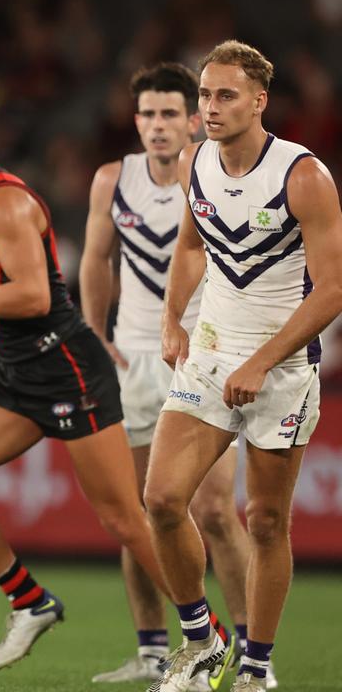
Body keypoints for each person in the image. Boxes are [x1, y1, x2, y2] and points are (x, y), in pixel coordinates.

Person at [0, 83, 190, 672]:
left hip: (66, 366)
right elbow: (1, 290)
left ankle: (207, 637)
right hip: (18, 369)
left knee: (124, 519)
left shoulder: (5, 202)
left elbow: (38, 294)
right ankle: (29, 601)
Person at [144, 40, 342, 692]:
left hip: (281, 371)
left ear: (259, 101)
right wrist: (173, 317)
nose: (210, 107)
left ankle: (257, 666)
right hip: (210, 355)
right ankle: (202, 643)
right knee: (164, 500)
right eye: (204, 95)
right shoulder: (195, 161)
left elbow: (333, 289)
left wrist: (262, 361)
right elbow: (194, 245)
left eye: (226, 95)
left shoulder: (303, 176)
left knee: (263, 520)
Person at [80, 62, 264, 690]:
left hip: (202, 355)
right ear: (135, 121)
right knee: (142, 512)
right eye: (147, 115)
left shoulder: (214, 172)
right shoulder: (114, 178)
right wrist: (96, 334)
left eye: (168, 114)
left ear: (193, 119)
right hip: (133, 360)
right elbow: (95, 259)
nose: (157, 126)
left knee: (214, 511)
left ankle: (246, 651)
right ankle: (156, 651)